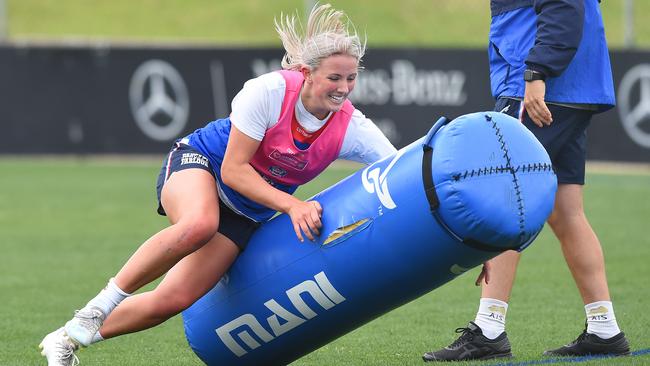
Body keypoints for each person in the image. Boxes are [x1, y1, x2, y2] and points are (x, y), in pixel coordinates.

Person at [39, 4, 397, 365]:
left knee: (171, 300)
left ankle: (65, 339)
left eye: (351, 78)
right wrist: (292, 205)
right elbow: (234, 171)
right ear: (306, 73)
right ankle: (97, 306)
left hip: (245, 212)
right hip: (204, 165)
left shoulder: (352, 127)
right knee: (199, 223)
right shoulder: (270, 92)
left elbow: (401, 167)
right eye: (335, 78)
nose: (344, 89)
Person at [423, 0, 630, 362]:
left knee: (504, 198)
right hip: (570, 86)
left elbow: (564, 7)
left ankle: (489, 329)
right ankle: (604, 328)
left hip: (542, 86)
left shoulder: (538, 75)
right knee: (566, 213)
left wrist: (536, 74)